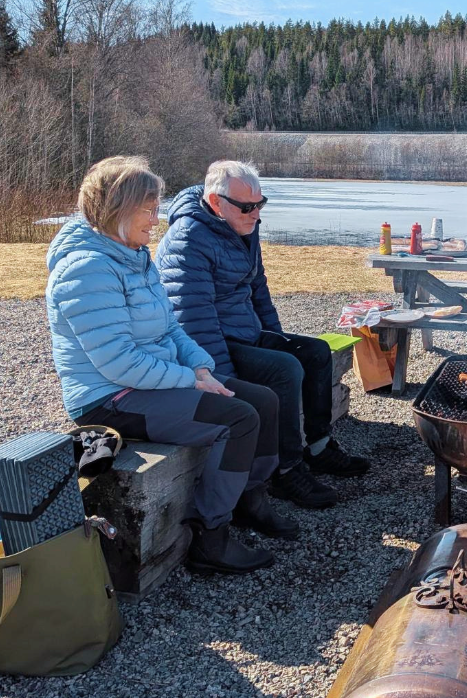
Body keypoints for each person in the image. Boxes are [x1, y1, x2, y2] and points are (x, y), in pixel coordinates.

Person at [47, 157, 295, 576]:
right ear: (118, 210)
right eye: (148, 208)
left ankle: (251, 501)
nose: (156, 218)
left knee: (264, 400)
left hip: (149, 382)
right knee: (238, 419)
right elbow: (119, 363)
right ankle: (210, 537)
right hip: (111, 399)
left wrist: (200, 365)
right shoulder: (86, 269)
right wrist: (190, 381)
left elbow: (171, 328)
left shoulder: (133, 255)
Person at [157, 161, 369, 512]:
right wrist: (223, 379)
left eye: (260, 204)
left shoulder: (241, 225)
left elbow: (259, 290)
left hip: (245, 332)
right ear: (215, 202)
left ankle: (317, 447)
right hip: (213, 345)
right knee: (284, 369)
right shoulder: (189, 239)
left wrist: (277, 336)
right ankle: (286, 470)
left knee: (313, 352)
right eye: (247, 207)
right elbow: (193, 320)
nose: (255, 214)